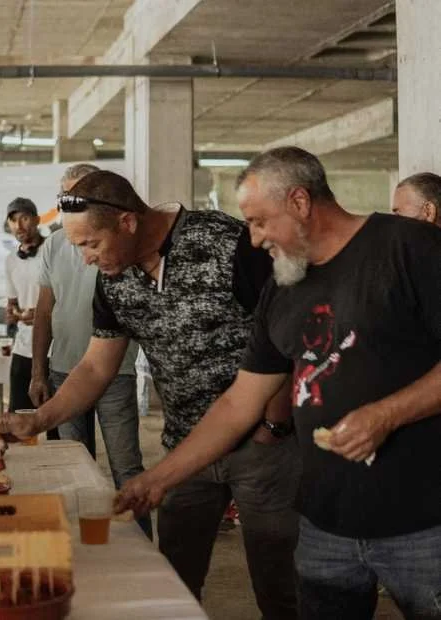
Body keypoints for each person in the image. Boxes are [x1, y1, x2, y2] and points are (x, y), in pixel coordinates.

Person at [115, 146, 441, 619]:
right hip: (325, 526)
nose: (253, 239)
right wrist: (158, 479)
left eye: (259, 221)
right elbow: (238, 404)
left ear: (300, 202)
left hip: (423, 526)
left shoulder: (408, 247)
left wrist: (386, 413)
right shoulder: (284, 287)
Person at [0, 170, 300, 618]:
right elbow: (97, 365)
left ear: (128, 223)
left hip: (261, 446)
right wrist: (39, 419)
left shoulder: (225, 243)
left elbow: (287, 334)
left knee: (279, 585)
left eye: (90, 244)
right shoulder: (114, 277)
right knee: (170, 581)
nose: (84, 259)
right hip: (185, 447)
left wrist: (275, 422)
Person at [30, 163, 143, 480]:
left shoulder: (119, 244)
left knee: (126, 468)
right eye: (65, 198)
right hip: (65, 371)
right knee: (75, 471)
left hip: (114, 373)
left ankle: (136, 532)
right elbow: (43, 312)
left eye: (79, 197)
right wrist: (38, 372)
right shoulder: (53, 245)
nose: (70, 205)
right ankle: (83, 531)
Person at [4, 197, 46, 413]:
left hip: (53, 349)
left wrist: (43, 314)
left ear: (37, 220)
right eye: (13, 220)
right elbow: (12, 301)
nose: (18, 226)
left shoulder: (51, 252)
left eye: (25, 218)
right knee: (18, 417)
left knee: (55, 420)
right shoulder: (11, 259)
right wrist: (12, 315)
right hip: (22, 347)